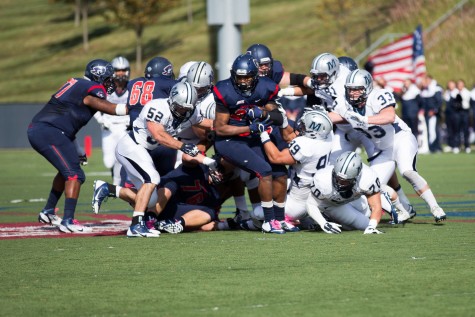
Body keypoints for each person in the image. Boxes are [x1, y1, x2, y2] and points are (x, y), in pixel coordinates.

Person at [95, 81, 216, 237]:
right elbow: (158, 134)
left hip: (143, 150)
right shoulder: (157, 107)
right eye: (180, 108)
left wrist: (231, 126)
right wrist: (182, 146)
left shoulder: (190, 112)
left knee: (151, 201)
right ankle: (136, 226)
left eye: (187, 109)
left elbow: (210, 124)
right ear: (173, 100)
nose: (183, 112)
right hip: (130, 146)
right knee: (152, 178)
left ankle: (108, 189)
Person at [30, 59, 129, 233]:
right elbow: (105, 107)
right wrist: (130, 109)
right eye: (108, 79)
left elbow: (67, 121)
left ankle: (48, 211)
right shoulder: (91, 89)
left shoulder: (79, 84)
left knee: (66, 170)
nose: (110, 83)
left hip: (50, 130)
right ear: (98, 77)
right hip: (49, 131)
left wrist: (77, 148)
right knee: (75, 174)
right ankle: (68, 220)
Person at [335, 69, 446, 223]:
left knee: (407, 171)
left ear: (366, 87)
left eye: (357, 89)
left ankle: (435, 207)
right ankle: (404, 210)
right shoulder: (345, 104)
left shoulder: (378, 95)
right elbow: (333, 115)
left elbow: (389, 116)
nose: (352, 93)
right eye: (350, 89)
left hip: (400, 138)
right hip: (383, 149)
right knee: (371, 184)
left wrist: (364, 119)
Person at [213, 53, 288, 234]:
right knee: (264, 171)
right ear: (233, 75)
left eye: (247, 77)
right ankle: (269, 222)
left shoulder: (265, 88)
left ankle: (280, 219)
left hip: (252, 137)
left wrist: (262, 115)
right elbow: (220, 129)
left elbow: (278, 117)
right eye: (240, 77)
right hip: (230, 140)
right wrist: (249, 128)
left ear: (255, 76)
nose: (244, 81)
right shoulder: (225, 91)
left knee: (280, 172)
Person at [258, 110, 334, 229]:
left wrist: (263, 134)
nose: (301, 127)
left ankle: (292, 219)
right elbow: (291, 137)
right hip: (315, 193)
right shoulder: (328, 137)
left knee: (258, 212)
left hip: (299, 202)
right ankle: (308, 218)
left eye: (305, 125)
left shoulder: (306, 146)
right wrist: (283, 123)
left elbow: (276, 157)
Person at [306, 151, 385, 234]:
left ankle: (384, 197)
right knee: (360, 225)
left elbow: (376, 206)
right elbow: (310, 204)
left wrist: (371, 227)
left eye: (345, 181)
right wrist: (323, 223)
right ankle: (326, 216)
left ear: (356, 177)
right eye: (337, 178)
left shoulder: (367, 178)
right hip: (332, 204)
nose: (339, 183)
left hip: (354, 198)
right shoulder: (323, 178)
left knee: (368, 223)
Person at [93, 56, 131, 185]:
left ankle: (117, 183)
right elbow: (94, 103)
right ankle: (117, 179)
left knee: (121, 156)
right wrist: (101, 119)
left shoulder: (132, 87)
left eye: (123, 70)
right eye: (117, 70)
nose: (120, 73)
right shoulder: (106, 87)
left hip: (125, 127)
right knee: (108, 161)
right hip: (109, 127)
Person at [420, 75, 443, 153]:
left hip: (433, 114)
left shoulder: (436, 88)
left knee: (434, 130)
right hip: (426, 114)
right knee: (428, 130)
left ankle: (436, 147)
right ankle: (430, 146)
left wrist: (434, 110)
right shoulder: (425, 90)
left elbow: (439, 101)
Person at [453, 79, 471, 153]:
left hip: (465, 112)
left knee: (465, 130)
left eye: (461, 84)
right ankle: (457, 146)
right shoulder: (454, 92)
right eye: (458, 84)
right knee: (457, 129)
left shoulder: (467, 92)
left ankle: (467, 146)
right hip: (457, 112)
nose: (460, 86)